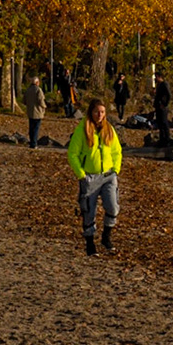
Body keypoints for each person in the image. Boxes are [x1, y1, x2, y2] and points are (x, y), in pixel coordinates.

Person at [67, 97, 123, 256]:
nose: (100, 115)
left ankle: (107, 236)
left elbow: (117, 151)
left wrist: (116, 170)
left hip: (108, 175)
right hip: (89, 177)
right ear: (91, 112)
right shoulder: (82, 130)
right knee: (88, 212)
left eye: (103, 112)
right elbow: (72, 154)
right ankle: (90, 244)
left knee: (113, 207)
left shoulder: (109, 129)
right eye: (97, 112)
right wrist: (81, 175)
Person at [26, 72, 47, 149]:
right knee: (36, 128)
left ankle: (31, 142)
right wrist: (44, 106)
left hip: (30, 111)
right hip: (38, 111)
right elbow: (41, 100)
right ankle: (34, 143)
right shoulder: (38, 90)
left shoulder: (28, 90)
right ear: (37, 82)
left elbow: (24, 100)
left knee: (31, 128)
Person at [154, 72, 173, 148]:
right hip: (158, 106)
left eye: (156, 77)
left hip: (163, 107)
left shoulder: (165, 84)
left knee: (164, 123)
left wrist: (164, 104)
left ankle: (167, 140)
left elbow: (169, 95)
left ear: (159, 77)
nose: (155, 78)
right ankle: (162, 140)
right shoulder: (159, 85)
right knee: (160, 124)